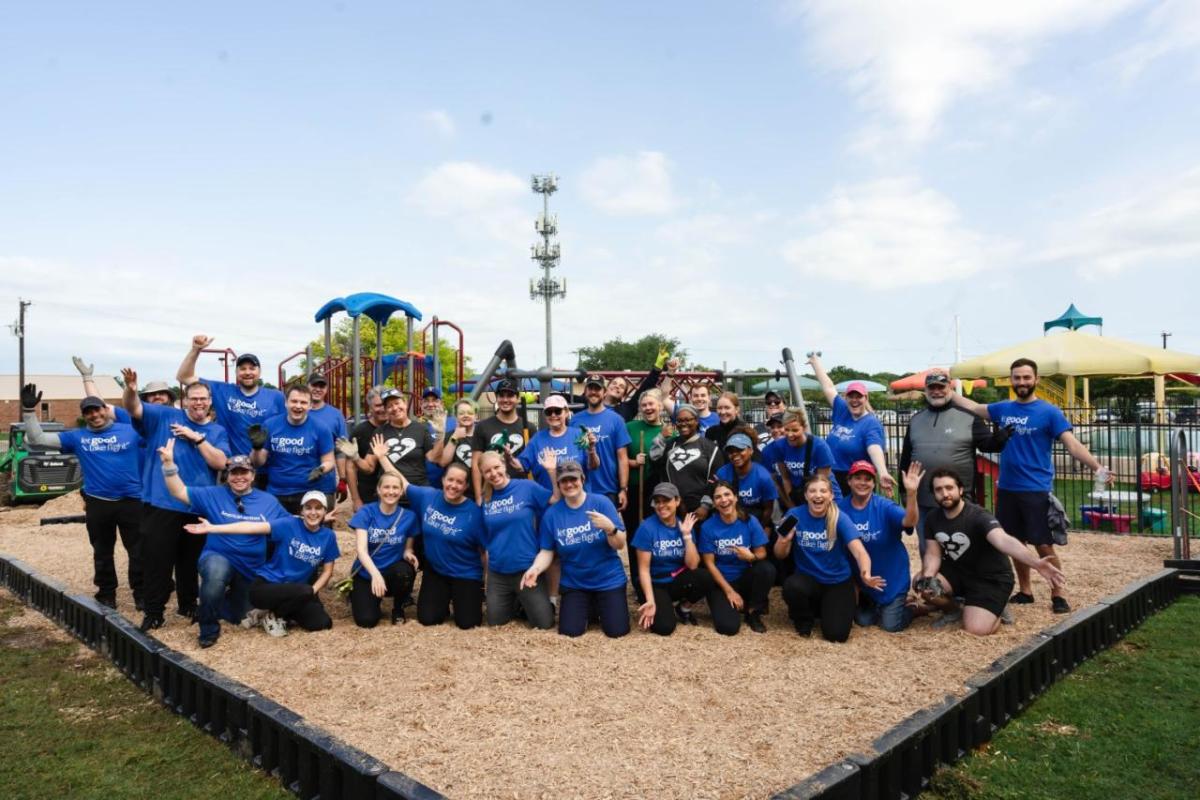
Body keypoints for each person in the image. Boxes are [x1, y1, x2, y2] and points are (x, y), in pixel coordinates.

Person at [949, 357, 1108, 614]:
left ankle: (1058, 592)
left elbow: (1073, 445)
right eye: (1017, 377)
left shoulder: (1049, 412)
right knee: (1014, 542)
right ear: (1011, 380)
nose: (1021, 382)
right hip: (1008, 488)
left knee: (1043, 544)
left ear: (1036, 379)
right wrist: (948, 390)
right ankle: (1026, 590)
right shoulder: (1003, 409)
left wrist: (1097, 467)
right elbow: (975, 407)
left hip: (1035, 489)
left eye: (1026, 377)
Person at [122, 369, 230, 632]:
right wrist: (131, 389)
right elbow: (133, 408)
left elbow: (220, 462)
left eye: (203, 399)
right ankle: (154, 612)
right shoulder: (164, 416)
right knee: (157, 560)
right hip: (161, 503)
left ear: (210, 402)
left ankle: (188, 603)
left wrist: (197, 438)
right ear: (184, 400)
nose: (198, 403)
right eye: (194, 398)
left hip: (196, 503)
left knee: (190, 561)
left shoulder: (216, 431)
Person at [21, 384, 144, 611]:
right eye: (89, 412)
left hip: (132, 502)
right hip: (99, 503)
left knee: (138, 551)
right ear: (84, 416)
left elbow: (152, 427)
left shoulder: (130, 430)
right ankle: (107, 594)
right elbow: (38, 439)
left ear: (105, 410)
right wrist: (29, 412)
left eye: (97, 410)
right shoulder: (76, 437)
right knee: (102, 551)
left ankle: (142, 593)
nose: (94, 415)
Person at [159, 444, 289, 648]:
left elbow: (290, 526)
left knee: (241, 617)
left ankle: (221, 601)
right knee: (215, 573)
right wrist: (168, 464)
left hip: (251, 568)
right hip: (218, 556)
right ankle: (208, 628)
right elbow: (179, 491)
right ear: (227, 476)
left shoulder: (269, 501)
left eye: (244, 472)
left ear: (253, 475)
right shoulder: (214, 495)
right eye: (233, 473)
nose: (239, 477)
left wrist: (316, 518)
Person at [913, 469, 1065, 636]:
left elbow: (1002, 539)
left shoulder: (978, 516)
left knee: (976, 629)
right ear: (934, 494)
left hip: (990, 577)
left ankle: (997, 608)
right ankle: (954, 610)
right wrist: (928, 577)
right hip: (958, 571)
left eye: (949, 488)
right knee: (921, 582)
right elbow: (933, 554)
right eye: (939, 490)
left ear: (961, 490)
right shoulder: (933, 518)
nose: (945, 494)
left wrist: (1035, 563)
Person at [185, 490, 340, 637]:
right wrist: (213, 528)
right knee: (304, 592)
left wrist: (313, 591)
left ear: (325, 511)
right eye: (309, 508)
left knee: (322, 623)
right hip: (267, 586)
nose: (313, 512)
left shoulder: (328, 536)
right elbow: (249, 526)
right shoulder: (288, 524)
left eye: (318, 508)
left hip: (298, 591)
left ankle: (271, 613)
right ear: (302, 511)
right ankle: (273, 614)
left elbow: (327, 571)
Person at [899, 370, 1011, 551]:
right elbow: (905, 462)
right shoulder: (915, 420)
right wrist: (906, 500)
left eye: (941, 387)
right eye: (932, 387)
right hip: (923, 502)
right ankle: (930, 580)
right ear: (925, 390)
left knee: (961, 549)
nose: (936, 391)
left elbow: (988, 445)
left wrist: (999, 439)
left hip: (959, 501)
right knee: (927, 550)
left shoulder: (968, 417)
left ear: (949, 388)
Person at [522, 461, 629, 638]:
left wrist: (611, 529)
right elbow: (547, 551)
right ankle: (590, 607)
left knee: (617, 631)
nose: (569, 484)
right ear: (558, 484)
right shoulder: (552, 514)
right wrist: (535, 568)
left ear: (582, 479)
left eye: (573, 479)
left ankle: (597, 605)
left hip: (608, 579)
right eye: (564, 481)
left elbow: (620, 544)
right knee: (570, 631)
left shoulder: (601, 503)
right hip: (575, 583)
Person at [775, 474, 884, 643]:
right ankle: (804, 619)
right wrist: (784, 540)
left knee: (836, 635)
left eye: (823, 491)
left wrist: (866, 574)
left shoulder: (839, 518)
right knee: (792, 587)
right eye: (812, 491)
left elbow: (860, 552)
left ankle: (825, 609)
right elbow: (779, 554)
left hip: (837, 581)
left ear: (831, 495)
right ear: (806, 495)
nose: (818, 495)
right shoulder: (794, 515)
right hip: (808, 579)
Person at [176, 335, 285, 475]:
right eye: (243, 368)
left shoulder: (276, 396)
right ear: (236, 372)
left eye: (252, 368)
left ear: (259, 372)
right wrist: (195, 350)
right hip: (233, 469)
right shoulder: (222, 391)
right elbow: (184, 377)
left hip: (266, 470)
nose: (247, 372)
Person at [839, 460, 922, 633]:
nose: (863, 482)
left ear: (874, 483)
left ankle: (915, 608)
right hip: (864, 582)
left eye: (868, 479)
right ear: (849, 481)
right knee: (863, 621)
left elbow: (909, 521)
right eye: (858, 478)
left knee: (890, 626)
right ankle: (881, 606)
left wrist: (912, 494)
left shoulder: (884, 506)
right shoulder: (840, 508)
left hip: (892, 578)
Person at [477, 450, 556, 629]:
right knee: (495, 622)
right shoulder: (485, 499)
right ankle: (515, 599)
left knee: (544, 623)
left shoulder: (526, 487)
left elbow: (556, 499)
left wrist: (551, 472)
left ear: (504, 465)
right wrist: (487, 576)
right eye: (487, 471)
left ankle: (524, 599)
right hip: (499, 572)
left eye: (496, 467)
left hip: (526, 569)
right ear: (482, 474)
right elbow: (487, 542)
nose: (493, 473)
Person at [696, 482, 776, 634]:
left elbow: (762, 553)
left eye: (727, 494)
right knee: (728, 627)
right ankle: (734, 602)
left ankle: (753, 612)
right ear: (714, 503)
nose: (724, 500)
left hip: (745, 578)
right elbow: (709, 564)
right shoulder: (708, 527)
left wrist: (750, 556)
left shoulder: (749, 520)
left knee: (766, 569)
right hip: (721, 582)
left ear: (735, 497)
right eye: (718, 497)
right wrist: (729, 591)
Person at [808, 354, 893, 496]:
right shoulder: (843, 410)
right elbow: (828, 387)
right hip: (831, 475)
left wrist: (883, 472)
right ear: (845, 398)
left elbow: (875, 448)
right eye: (851, 396)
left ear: (865, 398)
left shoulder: (871, 423)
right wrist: (815, 363)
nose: (854, 400)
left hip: (854, 479)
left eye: (858, 396)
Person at [631, 483, 711, 635]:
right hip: (654, 583)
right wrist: (650, 600)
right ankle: (661, 603)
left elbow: (693, 565)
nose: (661, 505)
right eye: (657, 501)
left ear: (677, 501)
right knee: (664, 627)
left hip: (675, 579)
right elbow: (643, 569)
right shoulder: (647, 528)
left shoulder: (684, 525)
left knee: (705, 577)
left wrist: (687, 535)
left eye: (666, 500)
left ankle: (683, 607)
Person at [346, 472, 420, 628]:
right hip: (368, 572)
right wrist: (375, 575)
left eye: (395, 488)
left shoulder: (409, 516)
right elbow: (361, 550)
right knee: (366, 620)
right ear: (378, 490)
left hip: (392, 572)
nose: (391, 491)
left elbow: (408, 547)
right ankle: (367, 599)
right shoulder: (366, 512)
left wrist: (408, 553)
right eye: (386, 487)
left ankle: (398, 608)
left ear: (401, 492)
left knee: (404, 571)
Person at [251, 384, 336, 514]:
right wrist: (256, 449)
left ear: (310, 406)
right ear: (286, 402)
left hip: (308, 492)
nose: (298, 406)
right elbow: (258, 463)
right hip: (277, 492)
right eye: (294, 401)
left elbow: (329, 460)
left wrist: (321, 469)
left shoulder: (321, 428)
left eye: (303, 402)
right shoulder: (270, 425)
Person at [361, 388, 443, 491]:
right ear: (386, 410)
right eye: (389, 406)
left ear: (405, 404)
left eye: (397, 403)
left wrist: (440, 435)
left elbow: (434, 458)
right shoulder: (380, 432)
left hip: (418, 489)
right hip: (390, 492)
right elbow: (369, 467)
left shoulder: (421, 429)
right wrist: (355, 457)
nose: (395, 408)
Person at [649, 404, 723, 517]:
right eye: (679, 421)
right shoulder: (671, 445)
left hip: (700, 510)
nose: (683, 424)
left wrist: (705, 506)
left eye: (688, 420)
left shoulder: (710, 448)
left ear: (697, 421)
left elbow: (716, 479)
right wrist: (660, 438)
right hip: (674, 508)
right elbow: (657, 466)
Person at [573, 375, 632, 511]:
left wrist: (623, 489)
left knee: (608, 530)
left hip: (608, 488)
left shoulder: (616, 420)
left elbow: (622, 457)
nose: (594, 392)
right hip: (580, 488)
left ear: (604, 392)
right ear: (585, 391)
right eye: (590, 388)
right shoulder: (575, 420)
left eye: (597, 389)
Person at [760, 410, 838, 508]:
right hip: (799, 494)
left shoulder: (819, 446)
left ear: (804, 428)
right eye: (787, 430)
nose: (790, 434)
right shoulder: (779, 446)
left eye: (795, 430)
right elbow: (785, 478)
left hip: (823, 494)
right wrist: (792, 506)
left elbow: (822, 484)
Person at [470, 378, 534, 497]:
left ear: (517, 398)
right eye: (501, 395)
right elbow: (475, 464)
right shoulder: (482, 426)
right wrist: (478, 496)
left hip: (521, 491)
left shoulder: (529, 427)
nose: (505, 400)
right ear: (496, 397)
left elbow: (533, 462)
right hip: (492, 491)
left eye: (510, 395)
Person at [519, 393, 595, 490]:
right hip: (549, 500)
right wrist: (507, 457)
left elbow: (593, 466)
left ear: (566, 412)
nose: (553, 415)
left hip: (577, 500)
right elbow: (522, 465)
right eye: (549, 412)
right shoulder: (537, 439)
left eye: (558, 411)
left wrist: (592, 450)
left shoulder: (579, 435)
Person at [715, 433, 778, 530]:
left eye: (740, 449)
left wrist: (759, 530)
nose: (735, 454)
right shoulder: (722, 473)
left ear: (751, 450)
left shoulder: (763, 476)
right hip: (729, 519)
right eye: (731, 451)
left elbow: (768, 509)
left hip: (756, 520)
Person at [306, 373, 349, 504]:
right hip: (296, 480)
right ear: (307, 386)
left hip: (325, 481)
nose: (318, 389)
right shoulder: (296, 411)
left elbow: (341, 449)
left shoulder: (335, 415)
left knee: (326, 521)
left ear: (326, 389)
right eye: (314, 385)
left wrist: (342, 479)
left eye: (322, 386)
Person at [345, 386, 389, 510]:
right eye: (378, 405)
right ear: (370, 408)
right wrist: (356, 499)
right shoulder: (360, 431)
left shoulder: (397, 429)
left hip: (395, 492)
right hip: (369, 494)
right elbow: (350, 467)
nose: (382, 409)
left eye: (385, 404)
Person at [603, 352, 680, 421]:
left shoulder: (627, 408)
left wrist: (658, 367)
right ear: (606, 388)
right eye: (614, 383)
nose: (617, 386)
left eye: (621, 386)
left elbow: (645, 387)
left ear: (624, 395)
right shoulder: (593, 404)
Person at [419, 387, 450, 488]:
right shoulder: (415, 426)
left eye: (435, 401)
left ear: (442, 403)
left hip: (450, 485)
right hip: (424, 485)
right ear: (421, 404)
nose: (430, 404)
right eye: (426, 401)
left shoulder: (453, 423)